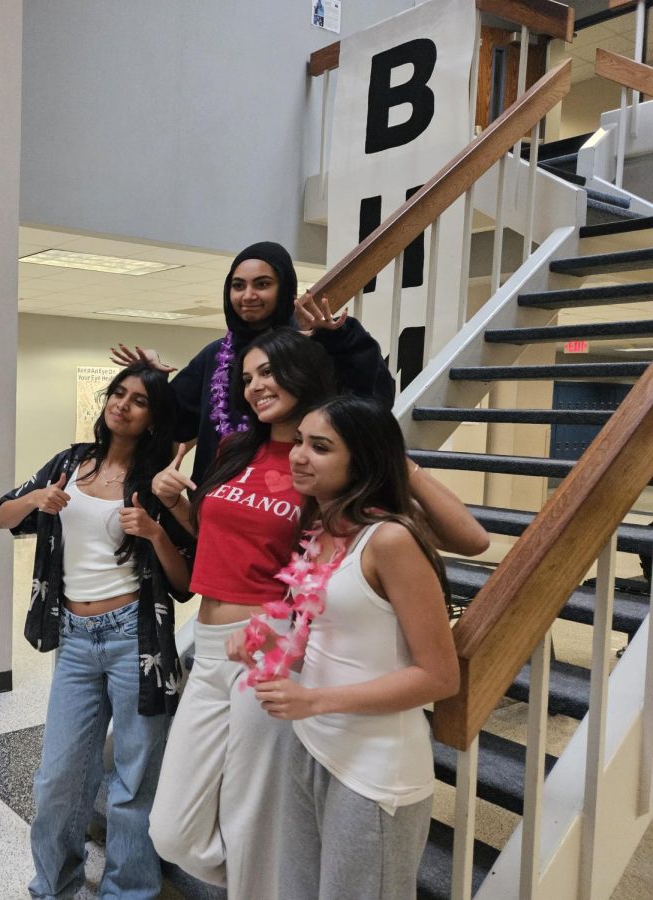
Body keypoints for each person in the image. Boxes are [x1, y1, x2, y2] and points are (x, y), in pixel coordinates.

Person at [146, 328, 486, 898]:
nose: (255, 386)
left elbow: (466, 541)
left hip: (278, 642)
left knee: (257, 824)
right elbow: (227, 541)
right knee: (176, 831)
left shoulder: (333, 467)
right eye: (247, 376)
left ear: (303, 373)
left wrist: (397, 460)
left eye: (268, 373)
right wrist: (180, 509)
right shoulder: (241, 449)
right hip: (214, 642)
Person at [0, 362, 195, 900]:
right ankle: (54, 884)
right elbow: (3, 515)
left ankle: (128, 890)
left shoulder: (156, 482)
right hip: (77, 640)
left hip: (137, 639)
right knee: (59, 778)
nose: (122, 404)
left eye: (138, 400)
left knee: (135, 780)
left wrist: (155, 532)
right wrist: (37, 500)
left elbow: (186, 581)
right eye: (118, 393)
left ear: (153, 419)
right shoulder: (70, 462)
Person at [251, 394, 461, 900]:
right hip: (312, 745)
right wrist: (272, 642)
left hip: (374, 770)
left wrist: (314, 699)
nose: (299, 455)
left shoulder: (390, 540)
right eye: (299, 441)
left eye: (320, 447)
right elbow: (333, 637)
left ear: (362, 461)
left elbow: (439, 676)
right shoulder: (321, 531)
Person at [112, 240, 395, 487]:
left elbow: (371, 403)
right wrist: (151, 375)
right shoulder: (215, 356)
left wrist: (341, 339)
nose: (248, 296)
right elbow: (173, 420)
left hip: (289, 502)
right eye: (238, 285)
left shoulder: (311, 350)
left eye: (262, 284)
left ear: (284, 290)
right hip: (217, 502)